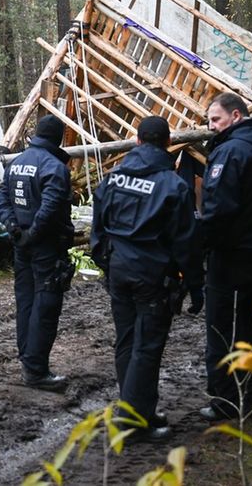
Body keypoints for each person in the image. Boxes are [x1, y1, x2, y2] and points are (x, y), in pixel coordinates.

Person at [91, 116, 203, 440]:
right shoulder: (172, 185)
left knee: (127, 341)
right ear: (168, 143)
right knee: (147, 346)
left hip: (119, 270)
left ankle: (139, 411)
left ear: (137, 142)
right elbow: (186, 241)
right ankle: (134, 421)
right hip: (151, 276)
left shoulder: (112, 179)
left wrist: (106, 263)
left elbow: (97, 228)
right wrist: (195, 285)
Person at [199, 92, 252, 421]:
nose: (211, 127)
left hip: (234, 255)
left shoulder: (231, 152)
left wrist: (203, 246)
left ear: (236, 116)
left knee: (224, 328)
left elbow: (219, 210)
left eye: (216, 120)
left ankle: (226, 401)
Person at [0, 114, 76, 392]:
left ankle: (28, 360)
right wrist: (33, 233)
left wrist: (14, 229)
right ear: (58, 138)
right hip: (46, 246)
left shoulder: (17, 163)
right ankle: (36, 368)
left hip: (22, 244)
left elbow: (2, 199)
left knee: (26, 302)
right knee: (46, 304)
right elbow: (52, 207)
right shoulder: (54, 167)